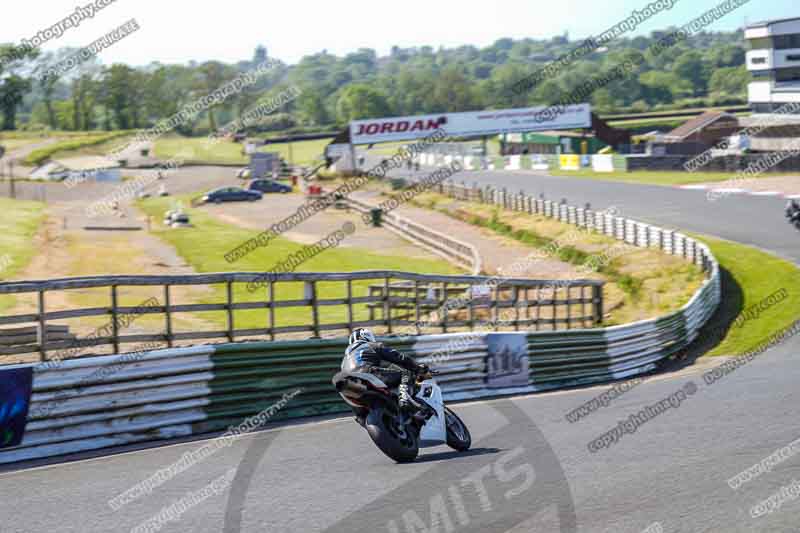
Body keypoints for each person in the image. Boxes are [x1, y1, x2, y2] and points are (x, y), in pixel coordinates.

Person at [341, 328, 430, 414]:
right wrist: (417, 367)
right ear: (368, 337)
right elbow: (398, 357)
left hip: (349, 383)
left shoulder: (345, 358)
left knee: (360, 415)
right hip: (367, 372)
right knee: (405, 374)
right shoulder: (370, 345)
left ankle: (362, 417)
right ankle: (404, 400)